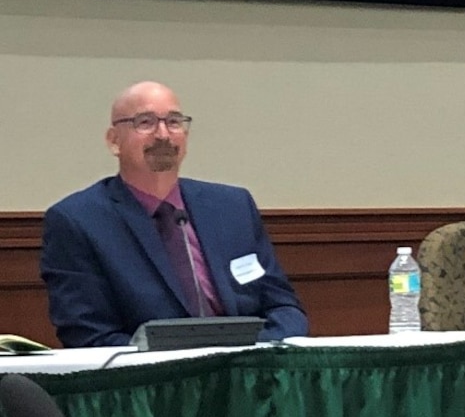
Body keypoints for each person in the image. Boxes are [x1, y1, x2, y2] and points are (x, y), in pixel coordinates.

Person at [40, 81, 308, 348]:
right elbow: (89, 335)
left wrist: (250, 353)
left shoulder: (233, 207)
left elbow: (283, 307)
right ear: (114, 141)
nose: (163, 135)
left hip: (248, 375)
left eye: (174, 122)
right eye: (145, 122)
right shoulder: (78, 221)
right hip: (152, 382)